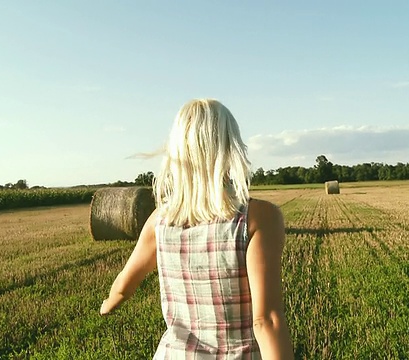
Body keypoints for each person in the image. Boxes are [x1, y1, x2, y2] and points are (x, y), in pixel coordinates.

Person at [100, 99, 294, 359]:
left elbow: (125, 283)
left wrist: (110, 302)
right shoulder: (258, 218)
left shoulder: (159, 220)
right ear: (230, 146)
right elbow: (266, 321)